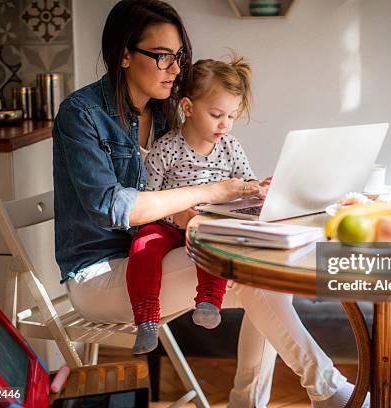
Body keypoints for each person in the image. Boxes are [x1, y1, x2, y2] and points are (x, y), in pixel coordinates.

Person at [52, 1, 364, 406]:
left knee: (265, 276)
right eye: (162, 56)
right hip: (100, 274)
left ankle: (260, 400)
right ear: (125, 55)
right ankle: (328, 391)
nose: (176, 69)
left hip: (162, 255)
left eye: (178, 56)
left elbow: (174, 195)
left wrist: (248, 198)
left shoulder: (167, 114)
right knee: (251, 270)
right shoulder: (82, 114)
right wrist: (211, 193)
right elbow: (117, 208)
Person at [127, 55, 267, 354]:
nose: (225, 125)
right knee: (142, 248)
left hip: (206, 224)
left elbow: (246, 183)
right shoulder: (167, 147)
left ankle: (208, 301)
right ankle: (147, 320)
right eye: (217, 114)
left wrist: (259, 189)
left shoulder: (230, 147)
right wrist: (174, 216)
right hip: (165, 224)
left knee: (216, 243)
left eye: (231, 116)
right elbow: (147, 197)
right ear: (188, 107)